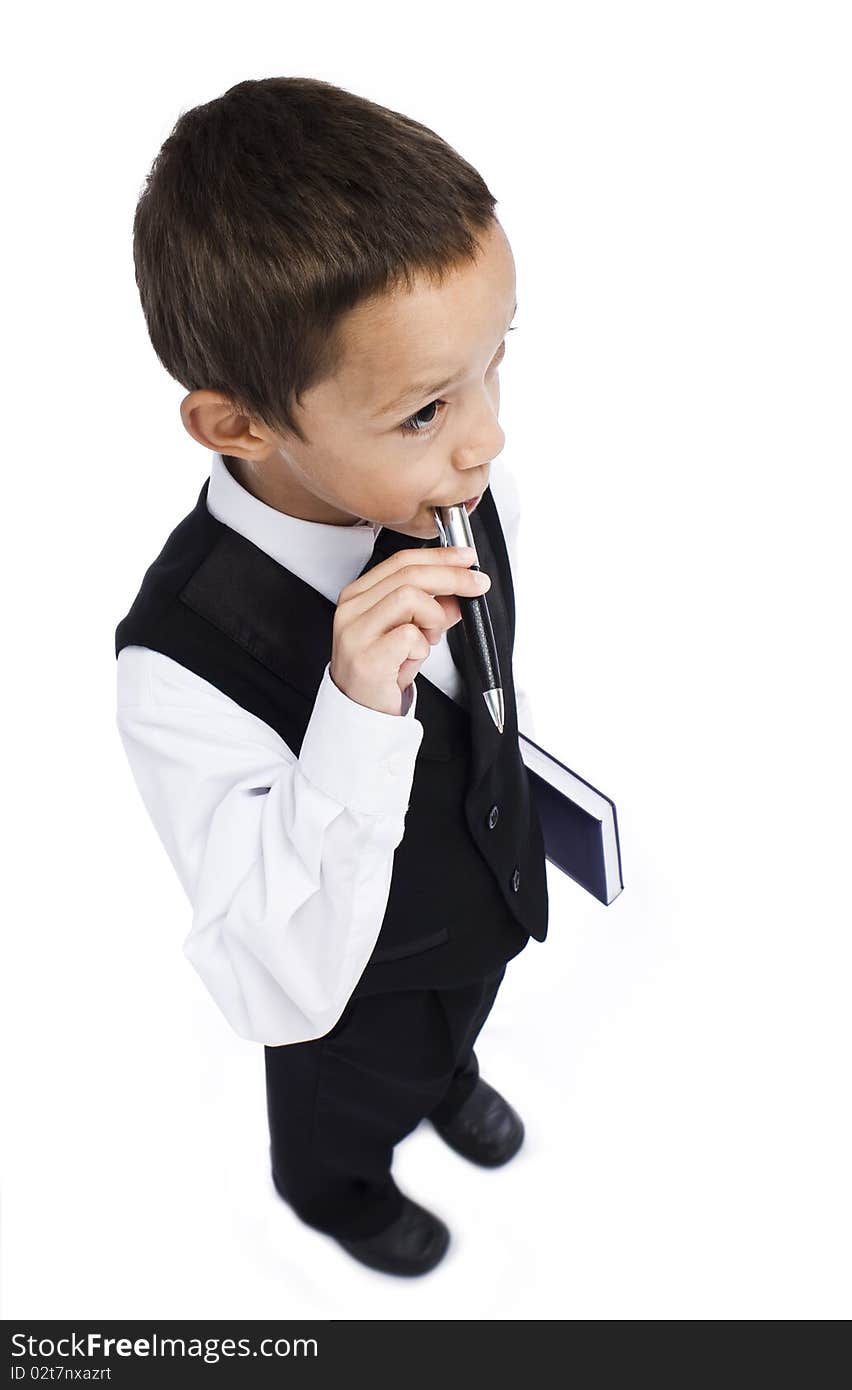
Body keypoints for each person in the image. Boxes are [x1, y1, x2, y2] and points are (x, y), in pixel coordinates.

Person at [115, 76, 549, 1277]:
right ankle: (340, 1200)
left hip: (475, 918)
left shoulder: (445, 479)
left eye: (493, 365)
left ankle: (450, 1072)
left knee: (453, 1022)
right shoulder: (178, 667)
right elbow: (274, 979)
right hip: (340, 1012)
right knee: (339, 1115)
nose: (486, 438)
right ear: (235, 424)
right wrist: (354, 712)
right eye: (424, 410)